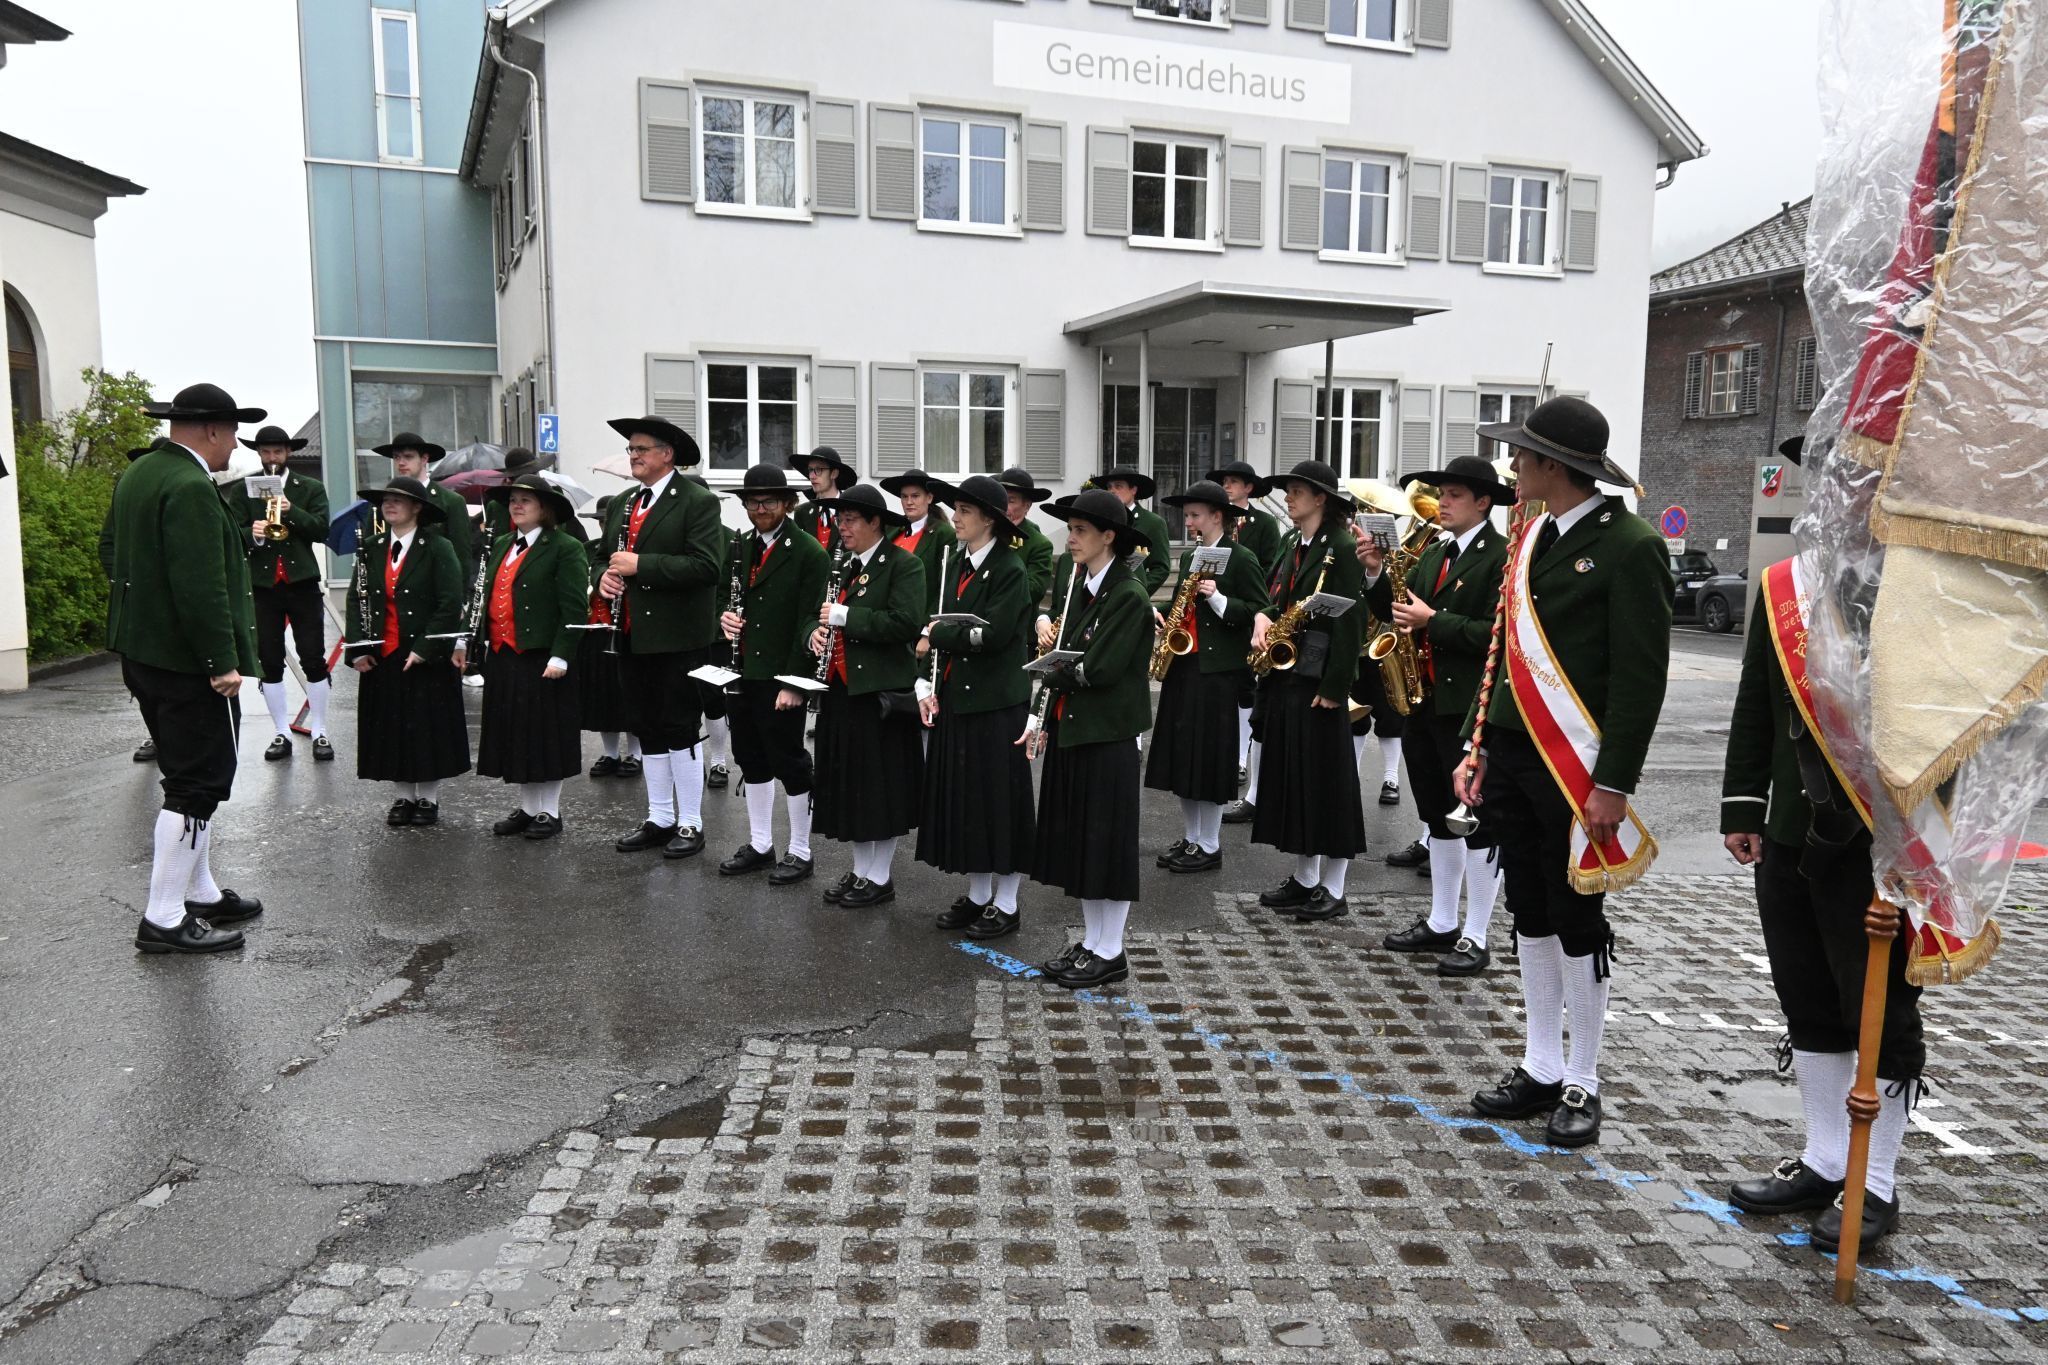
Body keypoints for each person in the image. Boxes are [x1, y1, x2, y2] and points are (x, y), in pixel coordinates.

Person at [1454, 396, 1673, 1149]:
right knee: (1533, 912)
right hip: (1515, 755)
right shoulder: (1529, 533)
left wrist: (1613, 782)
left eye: (1524, 455)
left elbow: (1640, 678)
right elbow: (1502, 658)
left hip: (1577, 767)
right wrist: (1475, 743)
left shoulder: (1632, 545)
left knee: (1579, 920)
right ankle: (1539, 1063)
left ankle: (1585, 1077)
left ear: (1555, 466)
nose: (1513, 466)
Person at [1721, 553, 1921, 1253]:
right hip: (1788, 829)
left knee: (1880, 1008)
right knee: (1805, 997)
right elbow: (1758, 702)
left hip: (1880, 838)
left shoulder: (1918, 574)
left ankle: (1876, 1182)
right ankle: (1827, 1160)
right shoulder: (1787, 582)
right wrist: (1743, 802)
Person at [110, 384, 268, 954]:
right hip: (186, 662)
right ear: (211, 431)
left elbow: (112, 554)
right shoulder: (188, 485)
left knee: (189, 775)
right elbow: (201, 586)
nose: (233, 450)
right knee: (195, 784)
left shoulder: (141, 473)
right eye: (232, 438)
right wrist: (220, 661)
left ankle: (196, 891)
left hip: (146, 652)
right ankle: (164, 916)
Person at [1365, 455, 1512, 976]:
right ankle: (1443, 919)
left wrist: (1436, 621)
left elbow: (1496, 636)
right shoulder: (1432, 551)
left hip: (1467, 705)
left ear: (1482, 502)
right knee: (1435, 815)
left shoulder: (1501, 557)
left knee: (1475, 819)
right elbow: (1395, 607)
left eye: (1452, 495)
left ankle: (1476, 935)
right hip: (1423, 701)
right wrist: (1377, 571)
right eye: (1441, 494)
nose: (1441, 503)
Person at [1023, 488, 1153, 990]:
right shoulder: (1084, 585)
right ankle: (1093, 942)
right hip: (1076, 728)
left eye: (1080, 531)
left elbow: (1099, 667)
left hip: (1108, 735)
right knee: (1084, 844)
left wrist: (1054, 669)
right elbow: (1069, 650)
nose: (1071, 538)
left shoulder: (1128, 593)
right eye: (1070, 529)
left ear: (1108, 537)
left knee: (1108, 845)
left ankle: (1112, 948)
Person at [597, 416, 724, 859]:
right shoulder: (622, 502)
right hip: (631, 633)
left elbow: (708, 566)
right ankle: (659, 816)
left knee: (679, 727)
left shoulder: (697, 501)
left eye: (641, 449)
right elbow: (602, 558)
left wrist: (642, 566)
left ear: (667, 454)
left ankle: (691, 822)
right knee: (645, 725)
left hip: (679, 636)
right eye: (631, 449)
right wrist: (603, 580)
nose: (633, 455)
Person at [1249, 461, 1369, 921]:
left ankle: (1333, 888)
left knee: (1328, 785)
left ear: (1321, 499)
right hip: (1287, 678)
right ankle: (1304, 877)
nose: (1289, 497)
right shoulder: (1292, 542)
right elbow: (1275, 594)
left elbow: (1351, 617)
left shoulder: (1340, 545)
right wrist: (1262, 615)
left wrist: (1337, 685)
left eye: (1297, 491)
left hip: (1320, 682)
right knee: (1296, 781)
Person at [918, 475, 1036, 939]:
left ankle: (1007, 902)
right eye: (956, 509)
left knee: (1000, 804)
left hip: (996, 704)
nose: (956, 517)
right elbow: (943, 625)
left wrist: (939, 634)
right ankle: (979, 894)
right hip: (958, 700)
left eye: (965, 511)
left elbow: (994, 635)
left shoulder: (1009, 568)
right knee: (970, 803)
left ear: (989, 518)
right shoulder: (956, 562)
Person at [807, 483, 926, 906]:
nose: (843, 527)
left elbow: (905, 623)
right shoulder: (838, 566)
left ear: (876, 522)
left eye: (852, 520)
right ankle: (860, 871)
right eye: (840, 520)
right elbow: (813, 615)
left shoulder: (903, 565)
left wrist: (847, 616)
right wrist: (814, 636)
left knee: (881, 789)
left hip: (881, 694)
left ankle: (880, 877)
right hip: (841, 692)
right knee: (849, 787)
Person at [1145, 480, 1269, 875]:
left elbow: (1258, 609)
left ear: (1218, 516)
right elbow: (1184, 597)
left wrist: (1217, 598)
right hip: (1185, 664)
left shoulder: (1242, 557)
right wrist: (1160, 608)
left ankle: (1211, 843)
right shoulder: (1194, 556)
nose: (1190, 521)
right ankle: (1193, 836)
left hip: (1217, 672)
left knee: (1210, 759)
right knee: (1184, 757)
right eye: (1188, 515)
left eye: (1196, 514)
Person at [459, 476, 589, 840]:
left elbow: (574, 608)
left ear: (545, 508)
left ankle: (551, 810)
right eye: (513, 500)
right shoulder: (501, 544)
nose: (516, 506)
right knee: (519, 734)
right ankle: (529, 807)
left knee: (547, 735)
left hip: (542, 655)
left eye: (525, 501)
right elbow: (488, 597)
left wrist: (562, 655)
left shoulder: (565, 547)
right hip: (504, 653)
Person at [718, 464, 830, 884]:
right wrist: (723, 620)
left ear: (787, 504)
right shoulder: (738, 545)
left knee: (789, 759)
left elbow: (810, 620)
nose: (759, 508)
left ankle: (800, 849)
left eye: (768, 501)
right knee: (750, 756)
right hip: (742, 669)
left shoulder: (807, 551)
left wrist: (794, 682)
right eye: (752, 501)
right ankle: (761, 844)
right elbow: (719, 601)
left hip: (781, 674)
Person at [345, 477, 470, 826]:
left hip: (424, 652)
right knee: (392, 725)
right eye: (386, 500)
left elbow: (450, 602)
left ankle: (428, 799)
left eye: (398, 500)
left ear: (417, 508)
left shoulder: (438, 546)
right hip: (383, 652)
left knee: (426, 726)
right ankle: (403, 796)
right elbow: (357, 598)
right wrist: (357, 649)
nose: (389, 504)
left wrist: (427, 648)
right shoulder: (370, 546)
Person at [237, 424, 334, 762]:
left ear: (288, 452)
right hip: (263, 585)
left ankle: (320, 730)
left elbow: (323, 530)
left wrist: (292, 512)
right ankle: (280, 731)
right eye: (266, 452)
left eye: (277, 451)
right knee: (269, 659)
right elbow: (231, 535)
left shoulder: (308, 487)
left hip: (302, 581)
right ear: (259, 453)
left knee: (313, 655)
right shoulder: (243, 489)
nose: (272, 458)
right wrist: (255, 534)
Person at [1209, 459, 1280, 800]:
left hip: (1250, 609)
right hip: (1218, 610)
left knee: (1246, 688)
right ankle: (1232, 756)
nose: (1228, 485)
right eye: (1225, 481)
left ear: (1249, 488)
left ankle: (1240, 757)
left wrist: (1244, 588)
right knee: (1232, 689)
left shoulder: (1264, 523)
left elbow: (1270, 565)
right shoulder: (1214, 526)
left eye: (1234, 481)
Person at [577, 493, 641, 781]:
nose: (605, 527)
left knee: (630, 694)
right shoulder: (589, 550)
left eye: (608, 522)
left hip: (628, 628)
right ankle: (610, 753)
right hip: (597, 628)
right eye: (601, 522)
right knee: (603, 696)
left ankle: (636, 753)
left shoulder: (633, 549)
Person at [371, 431, 474, 573]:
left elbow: (461, 557)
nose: (401, 462)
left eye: (408, 457)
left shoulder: (451, 502)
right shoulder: (382, 503)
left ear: (424, 459)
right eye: (396, 457)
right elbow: (369, 553)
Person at [880, 469, 957, 619]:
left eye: (915, 496)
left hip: (918, 619)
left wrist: (927, 629)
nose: (909, 502)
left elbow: (944, 588)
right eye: (904, 496)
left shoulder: (944, 534)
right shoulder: (891, 528)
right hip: (885, 618)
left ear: (929, 498)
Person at [994, 466, 1056, 606]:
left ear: (1027, 506)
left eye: (1011, 501)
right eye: (1002, 498)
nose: (1004, 506)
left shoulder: (1039, 544)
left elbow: (1034, 590)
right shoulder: (987, 531)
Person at [789, 444, 855, 556]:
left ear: (834, 473)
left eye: (818, 470)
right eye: (810, 470)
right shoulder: (802, 512)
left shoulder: (852, 510)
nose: (812, 476)